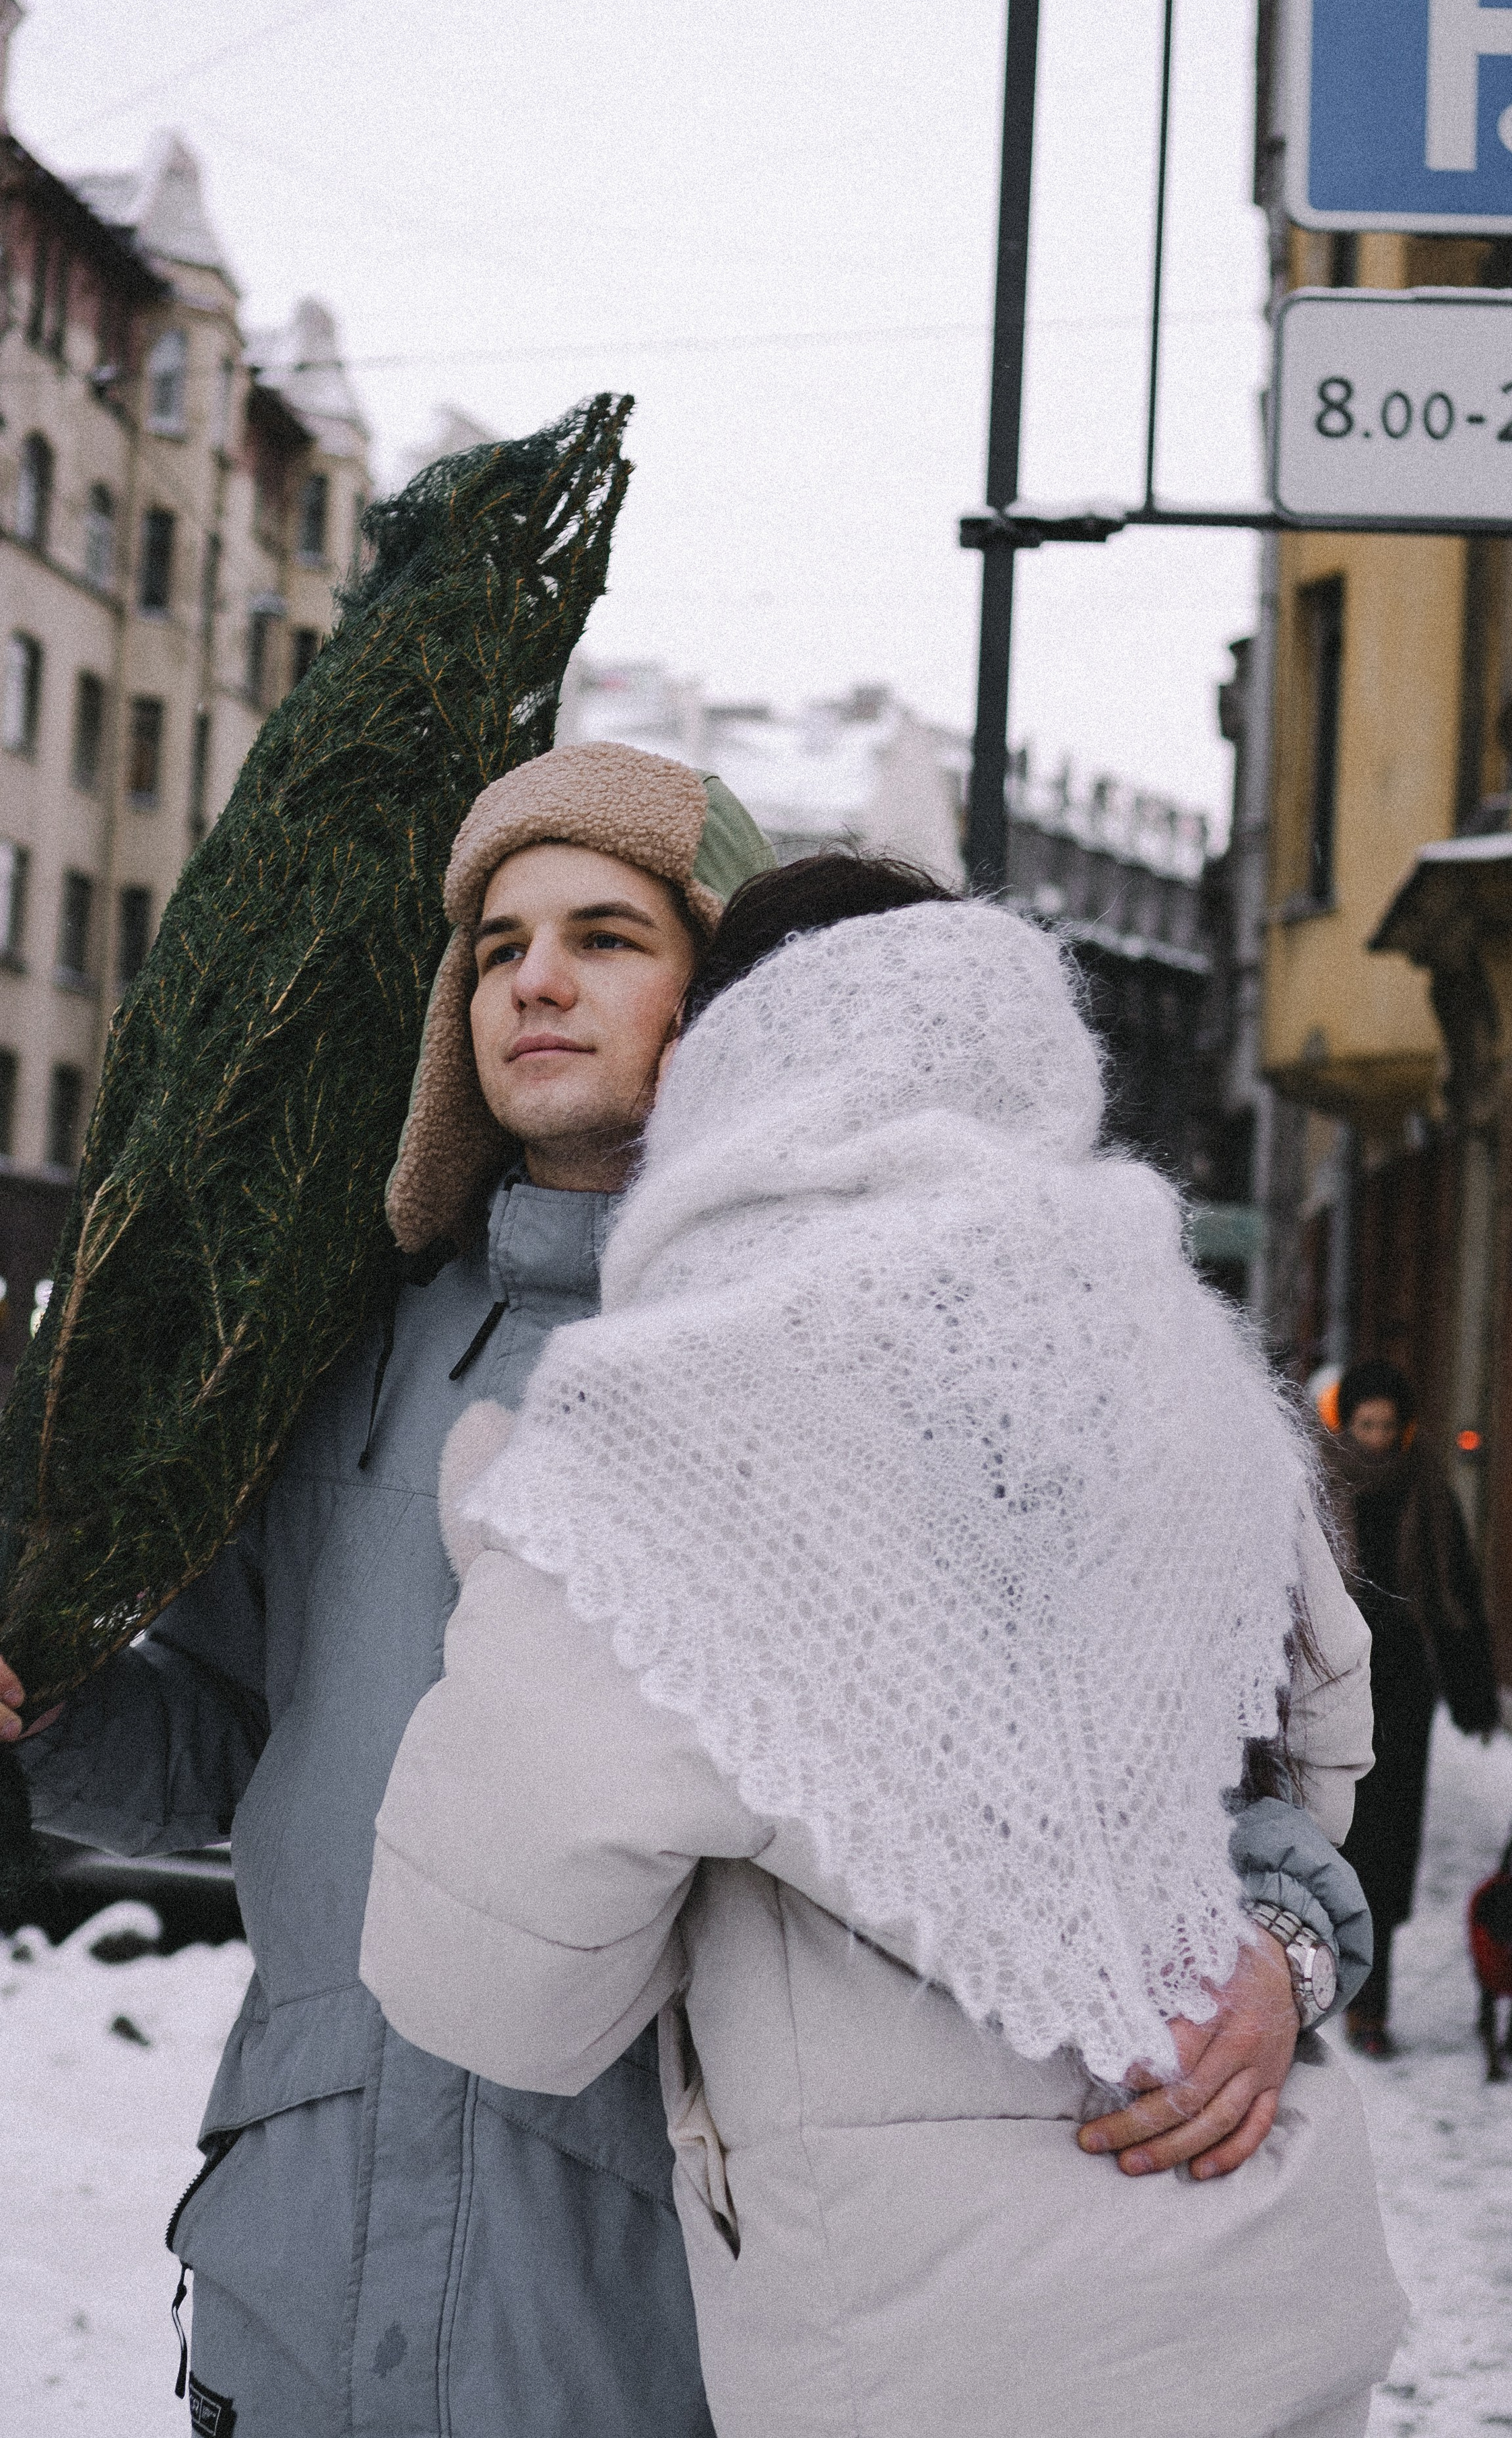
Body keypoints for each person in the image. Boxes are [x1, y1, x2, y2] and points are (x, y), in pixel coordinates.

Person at [1, 808, 1375, 2438]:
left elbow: (1203, 1767)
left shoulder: (895, 1358)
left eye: (608, 937)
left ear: (731, 1002)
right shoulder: (336, 1361)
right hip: (303, 2255)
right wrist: (55, 1714)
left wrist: (1285, 1947)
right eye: (497, 948)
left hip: (657, 2300)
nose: (537, 985)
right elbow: (244, 1742)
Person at [360, 865, 1408, 2438]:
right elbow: (1305, 1778)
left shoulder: (663, 1431)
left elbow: (485, 1990)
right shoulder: (1184, 1353)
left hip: (933, 2361)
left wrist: (515, 1562)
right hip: (1268, 2293)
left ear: (730, 1068)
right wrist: (1276, 1952)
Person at [1327, 1359, 1500, 2057]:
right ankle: (1324, 1981)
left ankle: (1371, 2005)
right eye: (1364, 1425)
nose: (1374, 1439)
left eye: (1386, 1427)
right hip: (1334, 1684)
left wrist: (1472, 1693)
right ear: (1346, 1424)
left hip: (1401, 1686)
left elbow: (1456, 1592)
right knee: (1338, 1839)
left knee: (1389, 1849)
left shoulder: (1428, 1489)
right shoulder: (1316, 1486)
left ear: (1404, 1430)